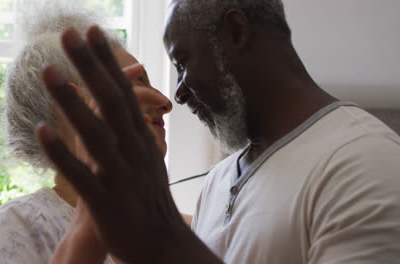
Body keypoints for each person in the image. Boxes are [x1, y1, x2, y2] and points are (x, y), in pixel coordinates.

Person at [38, 0, 400, 263]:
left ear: (236, 31)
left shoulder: (367, 162)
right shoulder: (217, 182)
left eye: (181, 63)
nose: (177, 93)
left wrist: (167, 243)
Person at [0, 5, 173, 264]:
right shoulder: (20, 225)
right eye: (135, 82)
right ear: (72, 103)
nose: (165, 101)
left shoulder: (176, 228)